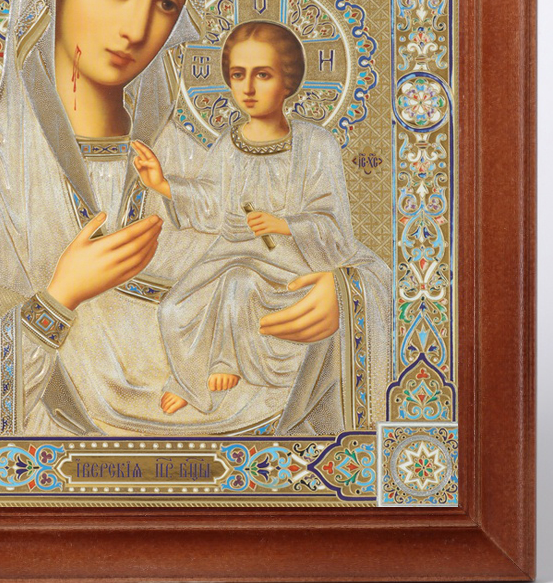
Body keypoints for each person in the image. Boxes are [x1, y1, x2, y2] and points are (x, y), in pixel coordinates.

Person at [0, 0, 390, 438]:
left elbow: (304, 264)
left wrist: (343, 297)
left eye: (166, 4)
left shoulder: (189, 161)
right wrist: (59, 300)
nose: (138, 28)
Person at [133, 21, 381, 419]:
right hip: (229, 251)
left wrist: (285, 225)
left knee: (240, 284)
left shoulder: (315, 145)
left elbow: (333, 225)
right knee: (173, 310)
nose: (247, 88)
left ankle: (228, 361)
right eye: (238, 75)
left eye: (262, 75)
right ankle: (189, 380)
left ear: (288, 82)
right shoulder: (228, 144)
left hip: (288, 259)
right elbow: (210, 201)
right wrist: (162, 184)